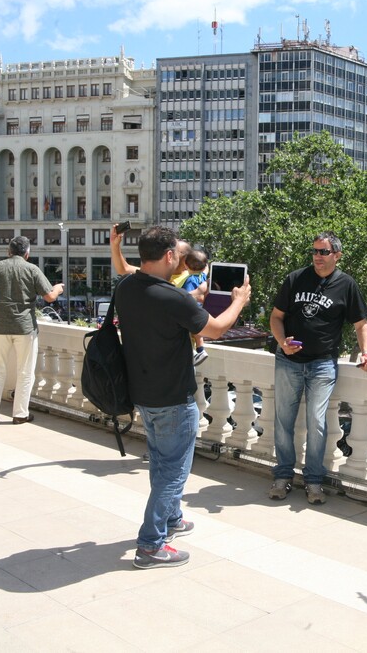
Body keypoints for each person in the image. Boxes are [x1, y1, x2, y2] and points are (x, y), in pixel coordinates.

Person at [115, 226, 250, 569]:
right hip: (173, 396)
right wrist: (238, 302)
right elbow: (217, 329)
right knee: (173, 471)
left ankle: (172, 518)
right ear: (169, 256)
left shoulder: (127, 287)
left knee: (162, 462)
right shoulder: (171, 298)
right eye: (177, 252)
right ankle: (150, 544)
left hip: (143, 393)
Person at [268, 231, 367, 505]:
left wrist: (366, 353)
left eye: (323, 252)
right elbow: (276, 317)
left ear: (337, 255)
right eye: (315, 251)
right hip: (288, 362)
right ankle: (282, 477)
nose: (317, 256)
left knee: (316, 422)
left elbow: (361, 324)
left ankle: (313, 481)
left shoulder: (346, 285)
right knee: (283, 422)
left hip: (322, 364)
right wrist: (282, 341)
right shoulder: (295, 278)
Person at [0, 236, 64, 425]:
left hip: (0, 327)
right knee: (25, 371)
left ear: (8, 251)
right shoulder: (31, 269)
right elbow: (49, 297)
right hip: (25, 328)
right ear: (27, 253)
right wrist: (57, 289)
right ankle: (20, 413)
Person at [182, 248, 210, 365]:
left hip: (191, 310)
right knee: (197, 333)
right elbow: (205, 270)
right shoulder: (203, 277)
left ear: (185, 265)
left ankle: (197, 351)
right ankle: (200, 350)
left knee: (189, 332)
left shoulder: (190, 280)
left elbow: (188, 297)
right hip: (201, 309)